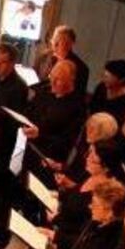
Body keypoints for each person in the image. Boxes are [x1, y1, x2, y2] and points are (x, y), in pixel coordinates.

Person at [41, 139, 125, 249]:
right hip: (61, 226)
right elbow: (77, 195)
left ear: (106, 168)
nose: (87, 159)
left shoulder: (104, 197)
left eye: (93, 159)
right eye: (89, 153)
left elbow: (84, 235)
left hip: (71, 246)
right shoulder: (90, 174)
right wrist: (59, 197)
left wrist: (56, 235)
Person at [22, 60, 86, 188]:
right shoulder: (44, 91)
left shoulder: (78, 107)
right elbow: (28, 112)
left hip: (50, 160)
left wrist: (40, 134)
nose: (52, 82)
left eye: (59, 79)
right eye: (52, 77)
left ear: (71, 80)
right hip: (28, 150)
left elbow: (67, 140)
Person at [33, 25, 89, 96]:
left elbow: (76, 95)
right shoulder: (45, 57)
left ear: (70, 44)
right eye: (54, 39)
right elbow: (37, 76)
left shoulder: (81, 68)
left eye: (59, 40)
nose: (54, 44)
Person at [90, 59, 125, 124]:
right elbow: (92, 108)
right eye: (104, 76)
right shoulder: (101, 87)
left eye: (107, 78)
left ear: (121, 80)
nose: (104, 80)